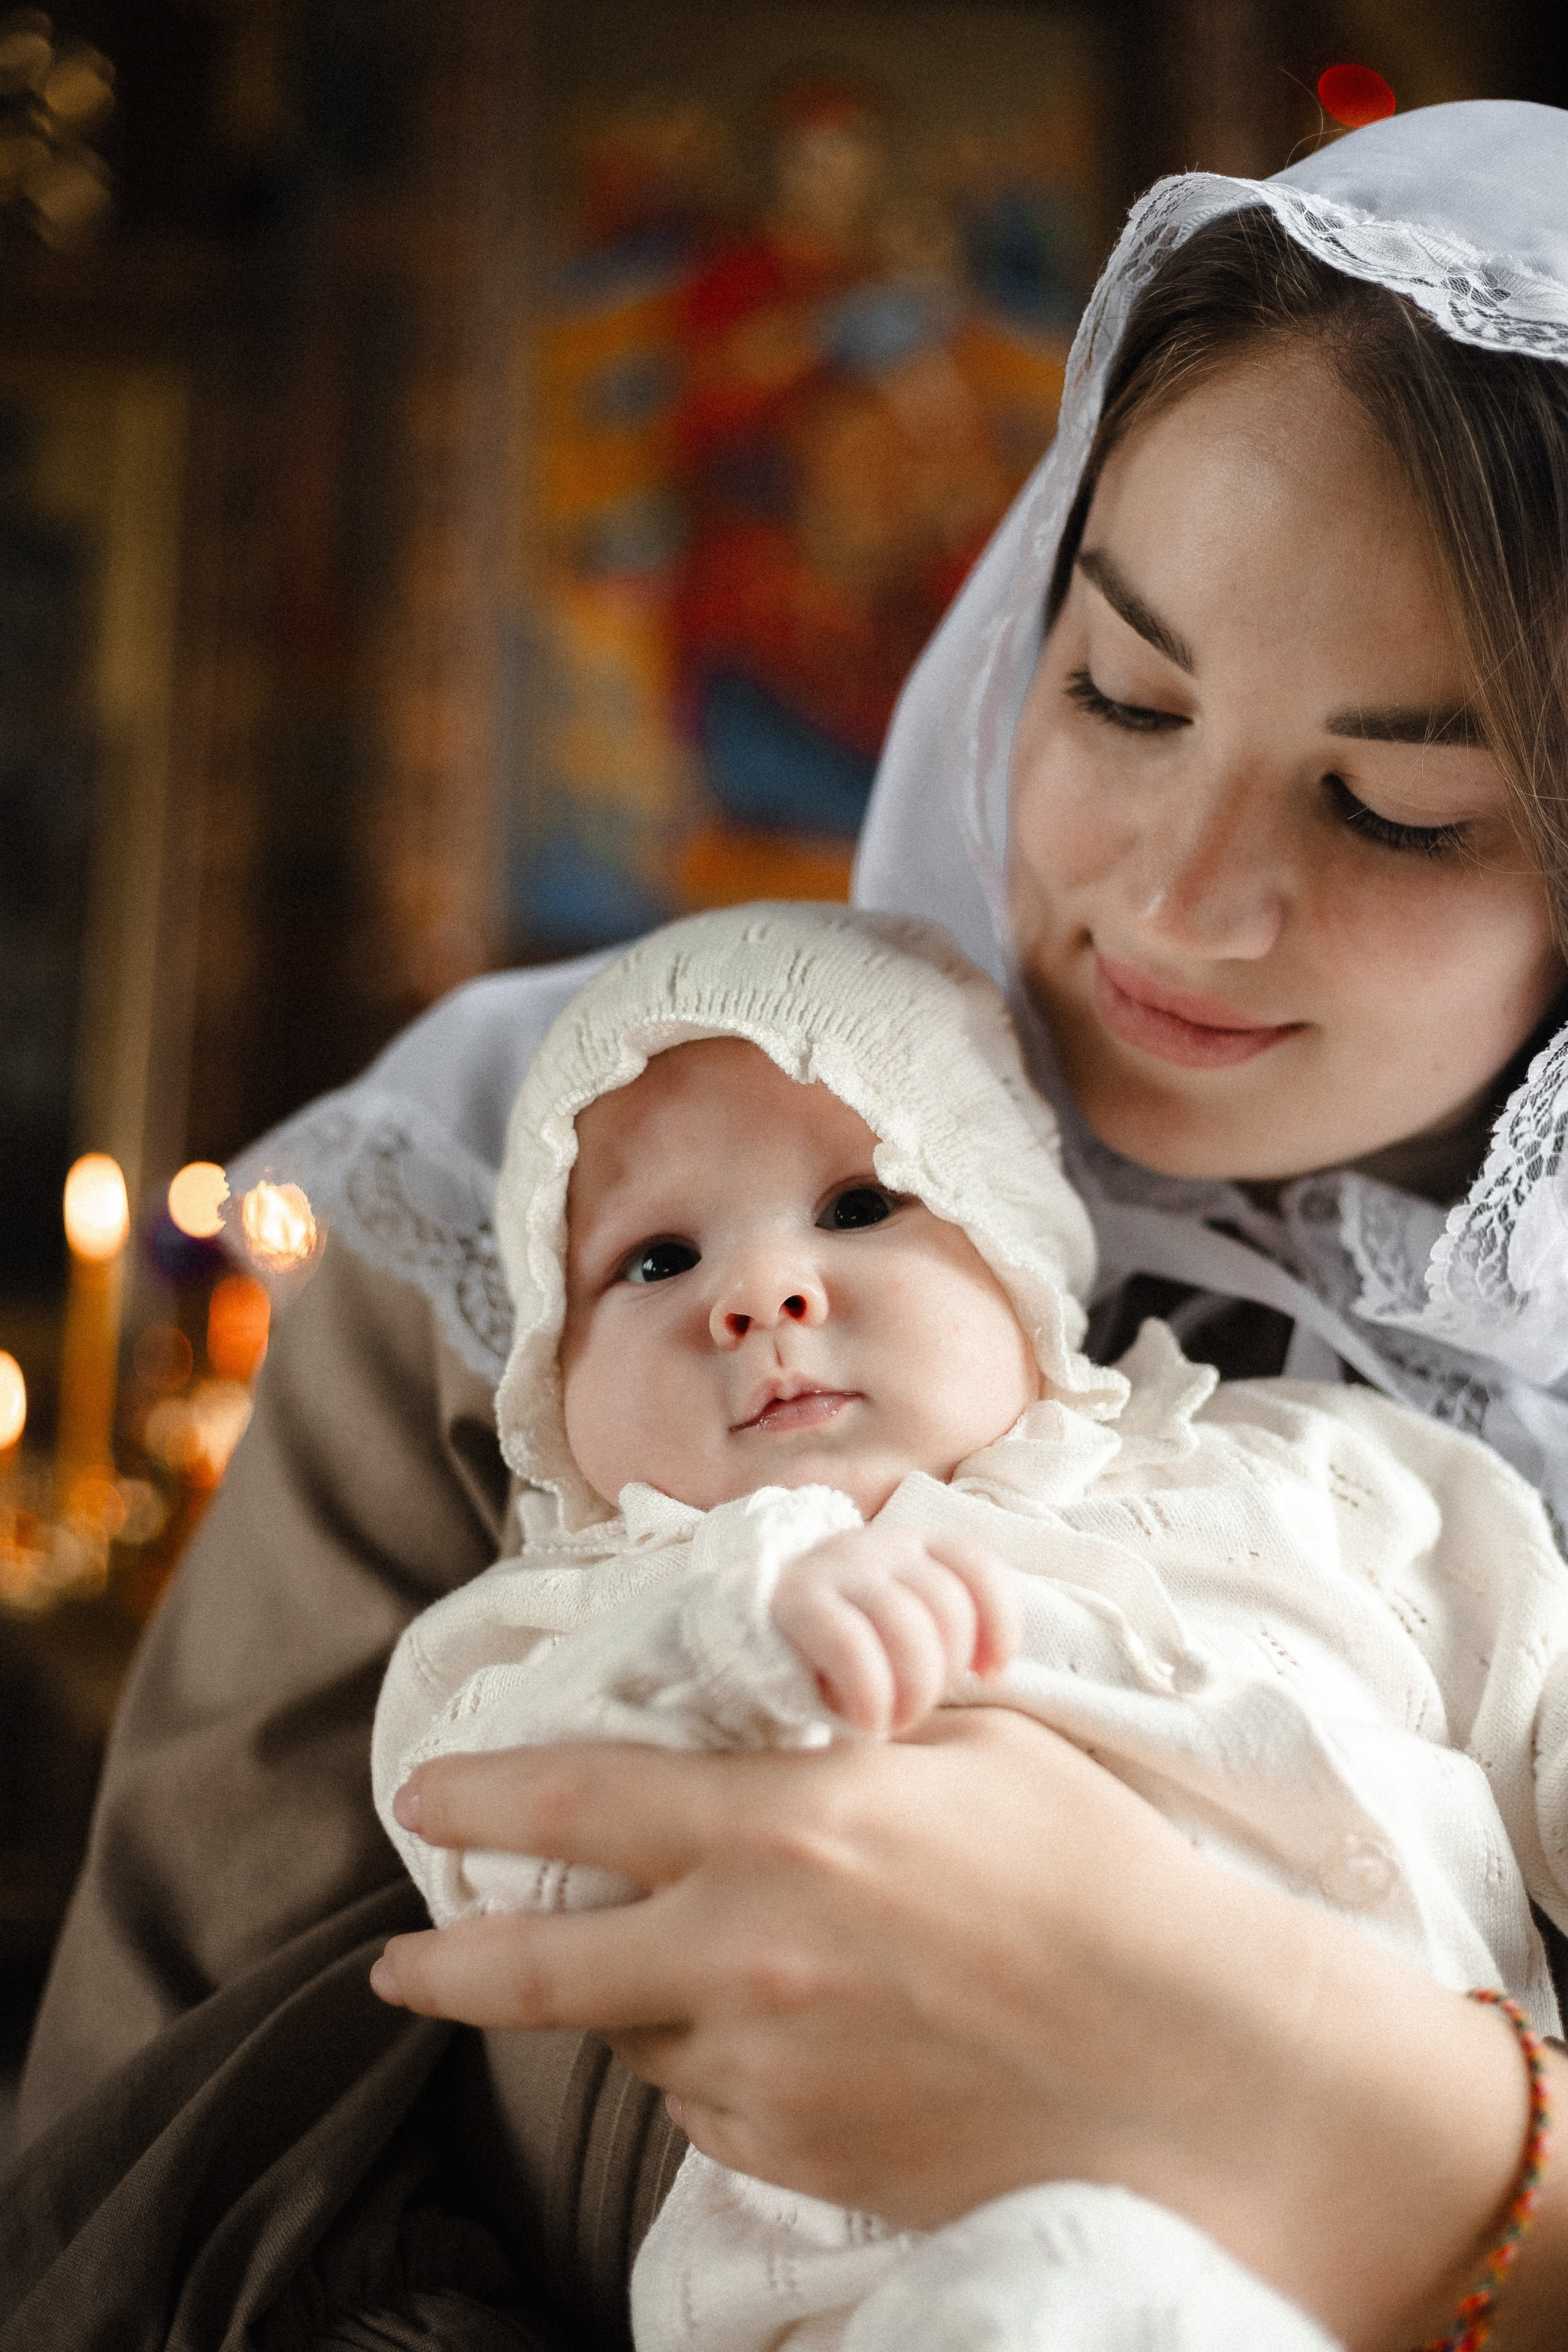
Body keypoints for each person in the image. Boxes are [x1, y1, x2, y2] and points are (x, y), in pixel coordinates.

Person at [6, 93, 1568, 2352]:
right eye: (1119, 688)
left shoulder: (1450, 1494)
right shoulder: (556, 1197)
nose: (1173, 897)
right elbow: (163, 2170)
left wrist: (1310, 2099)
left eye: (1396, 808)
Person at [374, 900, 1568, 2352]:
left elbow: (1533, 1663)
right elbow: (490, 1829)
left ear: (1015, 1246)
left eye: (861, 1207)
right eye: (654, 1261)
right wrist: (730, 1647)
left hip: (1426, 2260)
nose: (762, 1294)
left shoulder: (1313, 1467)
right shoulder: (583, 1609)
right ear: (550, 1396)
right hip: (921, 2289)